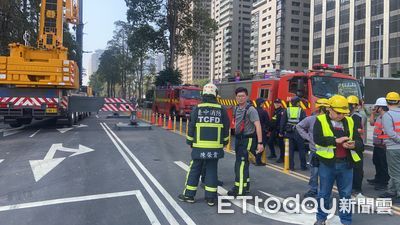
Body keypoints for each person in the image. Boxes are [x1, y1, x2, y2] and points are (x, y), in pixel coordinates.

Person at [313, 95, 363, 225]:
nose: (342, 115)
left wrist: (354, 144)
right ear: (330, 109)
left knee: (346, 195)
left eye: (344, 113)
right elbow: (318, 139)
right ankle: (321, 218)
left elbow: (360, 142)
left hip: (346, 164)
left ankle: (346, 221)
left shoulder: (350, 121)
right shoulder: (320, 120)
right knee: (324, 193)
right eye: (339, 113)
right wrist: (336, 141)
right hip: (327, 164)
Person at [178, 83, 230, 206]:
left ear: (203, 95)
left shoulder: (198, 108)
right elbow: (226, 127)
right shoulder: (221, 109)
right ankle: (211, 198)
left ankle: (189, 195)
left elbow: (191, 126)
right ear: (215, 95)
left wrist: (190, 141)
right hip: (215, 147)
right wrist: (225, 141)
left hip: (199, 147)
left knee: (195, 169)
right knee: (212, 170)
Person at [227, 87, 264, 196]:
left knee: (241, 164)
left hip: (247, 139)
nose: (241, 98)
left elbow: (258, 125)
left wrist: (260, 143)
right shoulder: (236, 108)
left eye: (243, 96)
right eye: (238, 96)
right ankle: (245, 186)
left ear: (247, 97)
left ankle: (239, 189)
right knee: (243, 163)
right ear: (236, 97)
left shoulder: (251, 110)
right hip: (238, 138)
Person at [296, 98, 329, 198]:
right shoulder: (311, 119)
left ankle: (323, 191)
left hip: (327, 151)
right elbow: (299, 126)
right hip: (315, 151)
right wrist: (308, 137)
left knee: (325, 174)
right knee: (314, 172)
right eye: (326, 109)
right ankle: (313, 189)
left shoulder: (330, 120)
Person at [379, 92, 400, 204]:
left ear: (387, 102)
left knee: (395, 172)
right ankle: (392, 190)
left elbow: (390, 133)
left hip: (393, 147)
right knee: (395, 171)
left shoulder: (387, 115)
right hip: (397, 147)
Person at [367, 97, 390, 191]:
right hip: (377, 145)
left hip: (383, 145)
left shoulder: (387, 117)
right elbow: (372, 123)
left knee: (383, 165)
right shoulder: (380, 117)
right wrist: (372, 113)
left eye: (376, 106)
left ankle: (383, 183)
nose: (374, 107)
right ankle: (378, 178)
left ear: (380, 107)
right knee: (377, 162)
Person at [280, 96, 307, 170]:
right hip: (298, 132)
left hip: (289, 132)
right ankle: (303, 166)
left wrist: (281, 132)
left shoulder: (287, 110)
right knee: (301, 149)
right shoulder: (301, 110)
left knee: (290, 150)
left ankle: (291, 166)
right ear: (298, 103)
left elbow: (282, 122)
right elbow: (305, 122)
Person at [347, 95, 365, 198]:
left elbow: (359, 131)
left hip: (355, 146)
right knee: (354, 168)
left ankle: (356, 189)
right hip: (353, 145)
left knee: (357, 168)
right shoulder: (352, 116)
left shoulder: (356, 117)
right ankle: (354, 189)